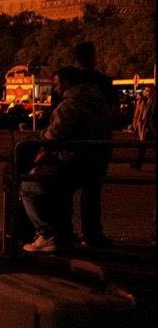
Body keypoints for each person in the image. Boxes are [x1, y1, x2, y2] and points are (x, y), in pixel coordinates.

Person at [21, 66, 114, 253]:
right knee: (62, 192)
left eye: (56, 84)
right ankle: (68, 236)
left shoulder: (70, 105)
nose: (55, 89)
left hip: (74, 162)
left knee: (28, 186)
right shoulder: (99, 101)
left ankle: (46, 234)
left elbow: (54, 135)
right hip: (98, 162)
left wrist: (39, 149)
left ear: (66, 83)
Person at [72, 41, 115, 247]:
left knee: (63, 190)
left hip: (72, 143)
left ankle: (64, 231)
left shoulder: (70, 81)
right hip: (98, 143)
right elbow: (113, 113)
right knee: (92, 190)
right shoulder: (104, 82)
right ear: (94, 56)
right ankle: (91, 233)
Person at [131, 84, 154, 170]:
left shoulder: (152, 100)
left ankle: (138, 164)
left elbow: (151, 115)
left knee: (143, 146)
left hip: (149, 127)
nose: (147, 92)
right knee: (143, 146)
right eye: (146, 90)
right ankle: (138, 164)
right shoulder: (146, 100)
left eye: (149, 91)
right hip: (146, 126)